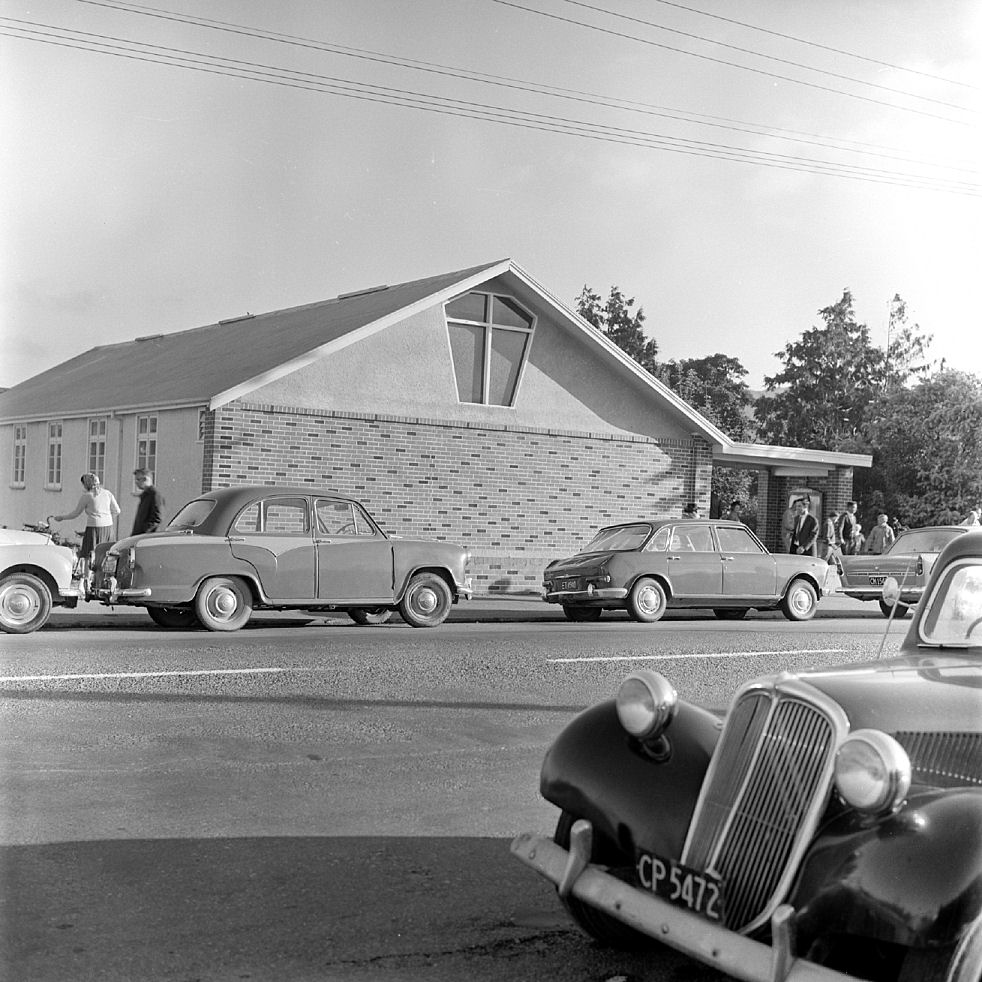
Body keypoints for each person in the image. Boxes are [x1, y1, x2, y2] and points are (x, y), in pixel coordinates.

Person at [48, 473, 120, 572]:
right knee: (106, 553)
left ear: (86, 484)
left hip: (94, 527)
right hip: (108, 527)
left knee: (88, 555)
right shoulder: (107, 493)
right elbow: (117, 511)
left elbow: (76, 513)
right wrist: (105, 517)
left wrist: (62, 517)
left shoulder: (87, 496)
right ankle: (104, 577)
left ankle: (86, 579)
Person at [132, 468, 165, 535]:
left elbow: (157, 518)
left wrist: (143, 532)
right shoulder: (145, 496)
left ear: (145, 479)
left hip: (148, 538)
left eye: (138, 479)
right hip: (140, 537)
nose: (136, 482)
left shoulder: (155, 495)